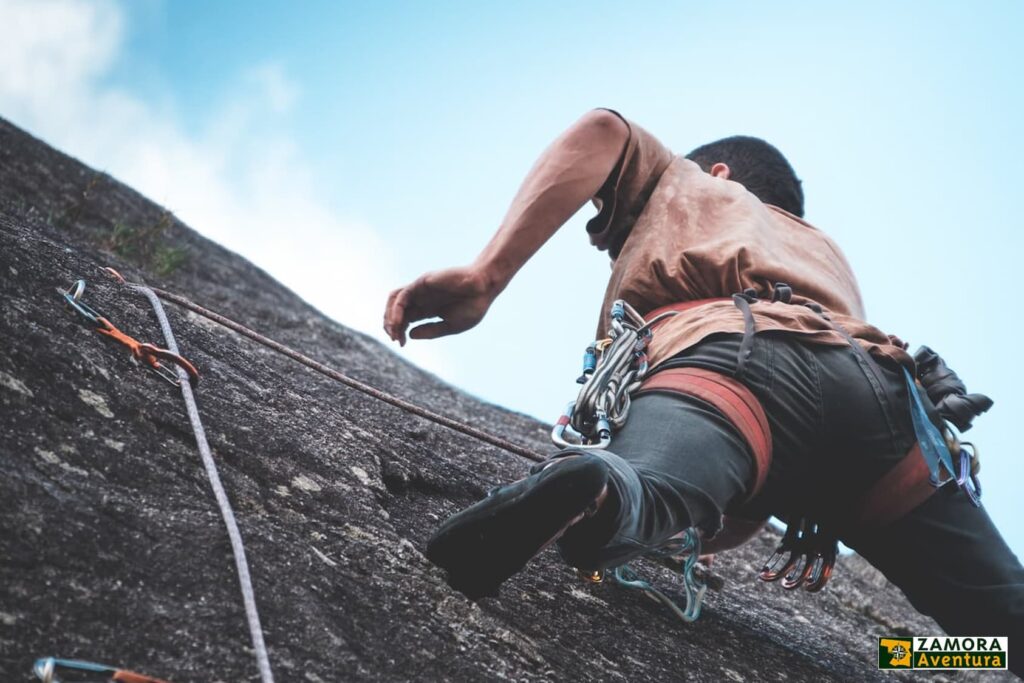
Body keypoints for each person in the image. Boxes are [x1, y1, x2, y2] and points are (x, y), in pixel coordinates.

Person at [382, 109, 1024, 673]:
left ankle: (604, 496)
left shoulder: (692, 187)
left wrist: (486, 275)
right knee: (1001, 613)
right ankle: (911, 656)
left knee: (639, 491)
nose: (606, 242)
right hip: (880, 398)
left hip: (729, 360)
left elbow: (604, 131)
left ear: (716, 172)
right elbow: (747, 493)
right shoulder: (822, 253)